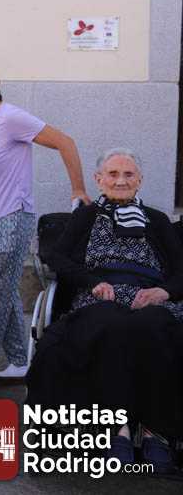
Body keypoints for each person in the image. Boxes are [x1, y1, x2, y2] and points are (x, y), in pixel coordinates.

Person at [26, 149, 183, 473]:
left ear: (139, 181)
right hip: (100, 294)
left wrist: (164, 292)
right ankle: (116, 431)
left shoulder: (157, 221)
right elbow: (58, 258)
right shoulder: (85, 217)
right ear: (99, 180)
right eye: (113, 174)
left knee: (155, 326)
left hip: (151, 295)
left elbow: (181, 269)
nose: (120, 181)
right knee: (111, 325)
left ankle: (156, 432)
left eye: (128, 174)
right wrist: (93, 282)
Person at [0, 63, 90, 379]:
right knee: (5, 290)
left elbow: (65, 142)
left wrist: (78, 189)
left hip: (12, 218)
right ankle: (18, 361)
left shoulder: (11, 118)